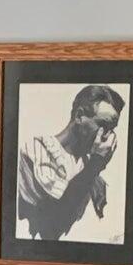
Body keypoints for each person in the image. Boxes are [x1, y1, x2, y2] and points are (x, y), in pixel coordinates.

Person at [18, 83, 124, 241]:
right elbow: (50, 227)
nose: (107, 137)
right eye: (102, 125)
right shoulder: (34, 152)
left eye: (112, 129)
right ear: (79, 116)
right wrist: (96, 163)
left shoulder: (93, 174)